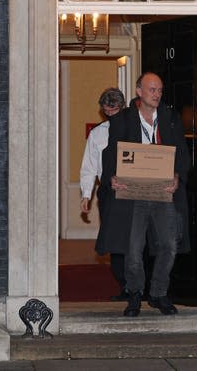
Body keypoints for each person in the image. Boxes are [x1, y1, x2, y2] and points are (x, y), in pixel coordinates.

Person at [99, 72, 190, 317]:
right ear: (139, 91)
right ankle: (135, 294)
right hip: (133, 194)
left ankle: (159, 293)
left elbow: (182, 152)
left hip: (164, 193)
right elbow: (110, 154)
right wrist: (111, 177)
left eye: (159, 90)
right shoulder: (124, 119)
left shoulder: (170, 118)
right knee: (133, 248)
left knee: (169, 245)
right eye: (152, 89)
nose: (157, 94)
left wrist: (177, 177)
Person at [79, 87, 127, 301]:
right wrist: (86, 195)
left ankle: (135, 285)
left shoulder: (134, 129)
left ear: (122, 107)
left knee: (133, 239)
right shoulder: (97, 133)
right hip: (107, 193)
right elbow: (89, 166)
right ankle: (125, 285)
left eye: (114, 111)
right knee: (114, 241)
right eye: (107, 112)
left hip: (132, 191)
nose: (111, 115)